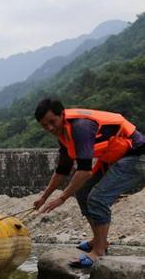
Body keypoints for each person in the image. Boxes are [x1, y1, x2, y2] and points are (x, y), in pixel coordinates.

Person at [33, 98, 145, 267]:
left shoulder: (81, 128)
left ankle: (98, 252)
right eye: (44, 125)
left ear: (62, 115)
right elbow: (63, 169)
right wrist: (44, 197)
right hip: (117, 157)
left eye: (52, 122)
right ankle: (100, 241)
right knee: (83, 192)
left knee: (97, 198)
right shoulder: (63, 135)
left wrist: (62, 198)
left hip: (137, 156)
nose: (50, 128)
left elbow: (84, 171)